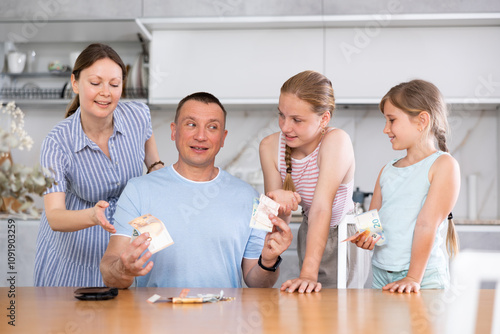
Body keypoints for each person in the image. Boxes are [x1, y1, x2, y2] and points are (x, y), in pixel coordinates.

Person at [100, 92, 292, 288]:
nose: (201, 136)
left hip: (224, 317)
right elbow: (109, 271)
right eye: (191, 124)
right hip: (155, 317)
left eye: (212, 127)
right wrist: (123, 269)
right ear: (174, 131)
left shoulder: (249, 197)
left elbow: (258, 283)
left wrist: (268, 262)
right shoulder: (138, 191)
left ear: (223, 137)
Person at [34, 43, 163, 287]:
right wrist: (94, 215)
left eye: (114, 84)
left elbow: (153, 162)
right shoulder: (57, 142)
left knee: (126, 321)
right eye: (95, 83)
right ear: (75, 83)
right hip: (75, 257)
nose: (106, 92)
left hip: (125, 248)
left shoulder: (138, 115)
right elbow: (55, 216)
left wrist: (158, 174)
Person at [352, 79, 460, 293]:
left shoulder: (443, 165)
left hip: (423, 276)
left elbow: (426, 225)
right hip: (382, 272)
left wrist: (412, 277)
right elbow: (372, 217)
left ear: (421, 120)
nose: (385, 129)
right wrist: (367, 236)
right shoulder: (387, 170)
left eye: (392, 120)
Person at [259, 70, 357, 293]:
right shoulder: (269, 147)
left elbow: (322, 208)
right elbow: (274, 218)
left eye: (297, 120)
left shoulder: (336, 142)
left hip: (341, 235)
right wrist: (274, 202)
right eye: (281, 115)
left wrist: (308, 274)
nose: (285, 127)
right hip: (309, 228)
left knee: (338, 313)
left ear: (324, 118)